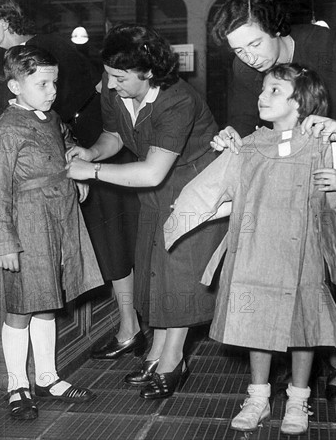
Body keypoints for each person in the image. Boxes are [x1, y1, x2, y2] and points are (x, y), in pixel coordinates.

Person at [0, 0, 142, 359]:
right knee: (103, 245)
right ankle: (128, 327)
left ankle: (129, 328)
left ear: (4, 23)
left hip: (88, 150)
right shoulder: (36, 49)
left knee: (108, 244)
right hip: (80, 152)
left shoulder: (36, 52)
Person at [210, 0, 336, 403]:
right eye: (238, 49)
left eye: (255, 43)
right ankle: (299, 349)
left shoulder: (321, 43)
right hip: (289, 161)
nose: (249, 57)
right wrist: (232, 134)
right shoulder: (246, 68)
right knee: (294, 261)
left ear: (276, 29)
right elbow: (246, 118)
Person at [165, 64, 336, 434]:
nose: (262, 95)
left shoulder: (327, 148)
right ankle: (258, 398)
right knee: (255, 324)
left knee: (305, 326)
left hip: (304, 254)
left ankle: (298, 400)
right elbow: (216, 189)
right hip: (255, 252)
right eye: (263, 89)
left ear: (300, 102)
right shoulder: (249, 145)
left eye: (274, 90)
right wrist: (181, 218)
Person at [65, 24, 227, 399]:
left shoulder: (177, 100)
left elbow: (153, 170)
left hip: (196, 185)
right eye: (108, 74)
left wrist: (90, 170)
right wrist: (92, 152)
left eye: (119, 77)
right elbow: (116, 135)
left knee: (178, 269)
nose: (109, 83)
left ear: (149, 72)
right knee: (153, 268)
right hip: (153, 188)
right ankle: (157, 350)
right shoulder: (113, 88)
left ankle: (174, 360)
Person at [0, 46, 105, 420]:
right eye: (43, 83)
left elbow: (63, 145)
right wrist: (4, 242)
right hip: (27, 225)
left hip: (59, 218)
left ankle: (48, 376)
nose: (52, 90)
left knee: (48, 301)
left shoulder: (50, 117)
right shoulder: (5, 129)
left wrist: (74, 168)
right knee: (22, 306)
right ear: (15, 86)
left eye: (54, 82)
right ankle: (17, 383)